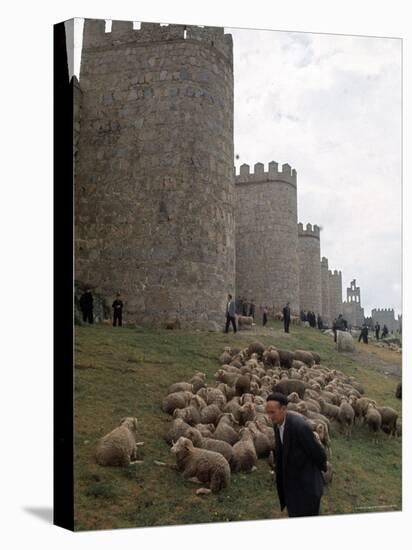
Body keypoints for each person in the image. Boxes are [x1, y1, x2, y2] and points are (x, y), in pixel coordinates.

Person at [266, 393, 327, 517]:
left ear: (283, 409)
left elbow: (319, 453)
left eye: (272, 412)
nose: (269, 416)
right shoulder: (277, 425)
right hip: (292, 484)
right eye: (268, 412)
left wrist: (316, 475)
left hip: (307, 486)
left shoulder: (299, 426)